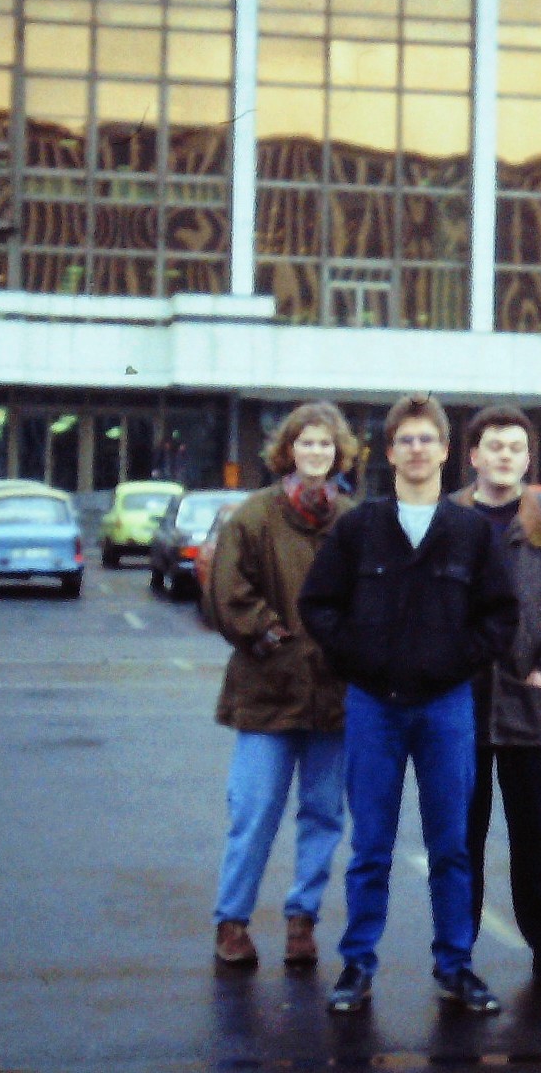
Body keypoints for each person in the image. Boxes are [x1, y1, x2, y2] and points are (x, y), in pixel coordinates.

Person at [300, 394, 520, 1015]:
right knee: (371, 845)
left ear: (447, 452)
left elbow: (500, 616)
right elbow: (318, 605)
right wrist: (358, 660)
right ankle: (357, 964)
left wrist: (455, 661)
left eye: (428, 439)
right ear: (389, 452)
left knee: (451, 845)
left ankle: (456, 966)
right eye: (406, 440)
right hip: (374, 707)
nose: (417, 450)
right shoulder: (358, 527)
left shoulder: (471, 533)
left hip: (447, 707)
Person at [209, 401, 361, 970]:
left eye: (326, 444)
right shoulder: (253, 516)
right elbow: (228, 594)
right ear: (287, 450)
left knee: (324, 814)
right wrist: (273, 636)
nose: (317, 452)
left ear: (338, 452)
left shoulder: (350, 520)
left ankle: (303, 920)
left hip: (334, 697)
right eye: (307, 443)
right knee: (254, 810)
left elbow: (367, 598)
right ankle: (232, 921)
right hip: (267, 692)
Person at [454, 405, 541, 988]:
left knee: (535, 837)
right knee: (460, 835)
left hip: (528, 704)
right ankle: (455, 950)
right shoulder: (447, 519)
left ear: (527, 457)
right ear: (473, 455)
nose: (504, 455)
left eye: (515, 446)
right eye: (494, 446)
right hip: (457, 708)